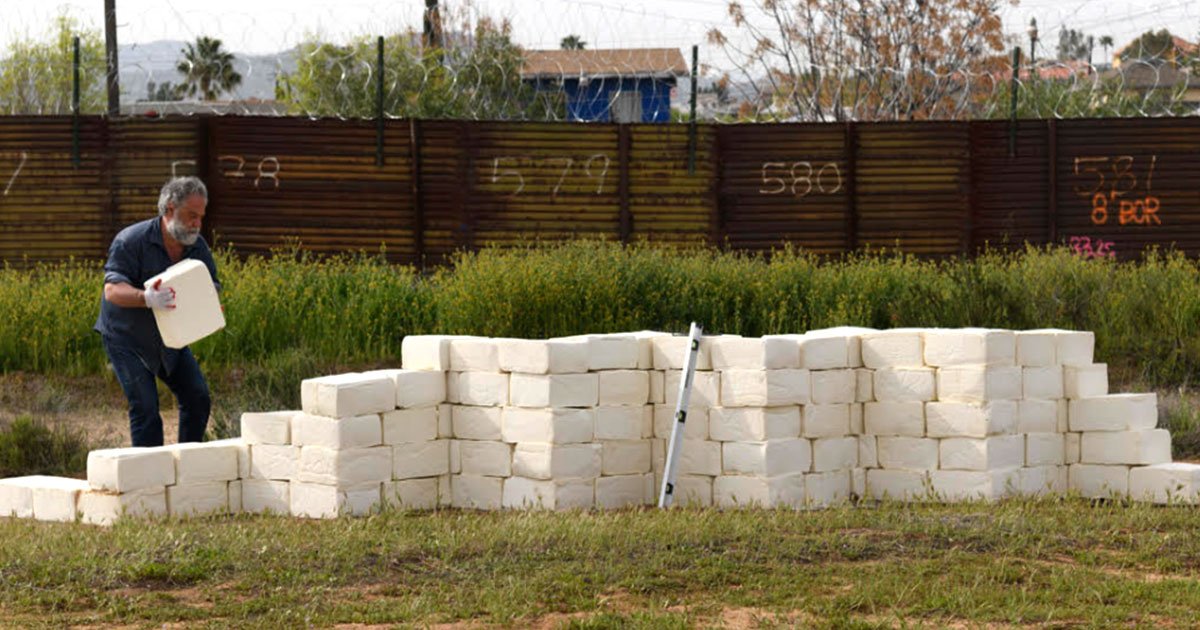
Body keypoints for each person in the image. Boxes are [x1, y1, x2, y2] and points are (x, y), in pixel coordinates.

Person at [94, 176, 220, 447]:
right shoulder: (130, 241)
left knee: (197, 397)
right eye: (191, 216)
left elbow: (211, 286)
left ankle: (187, 467)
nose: (197, 224)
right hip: (127, 339)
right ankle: (149, 482)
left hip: (170, 338)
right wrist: (146, 298)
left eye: (200, 217)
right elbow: (112, 291)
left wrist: (208, 303)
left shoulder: (198, 247)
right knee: (147, 409)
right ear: (170, 210)